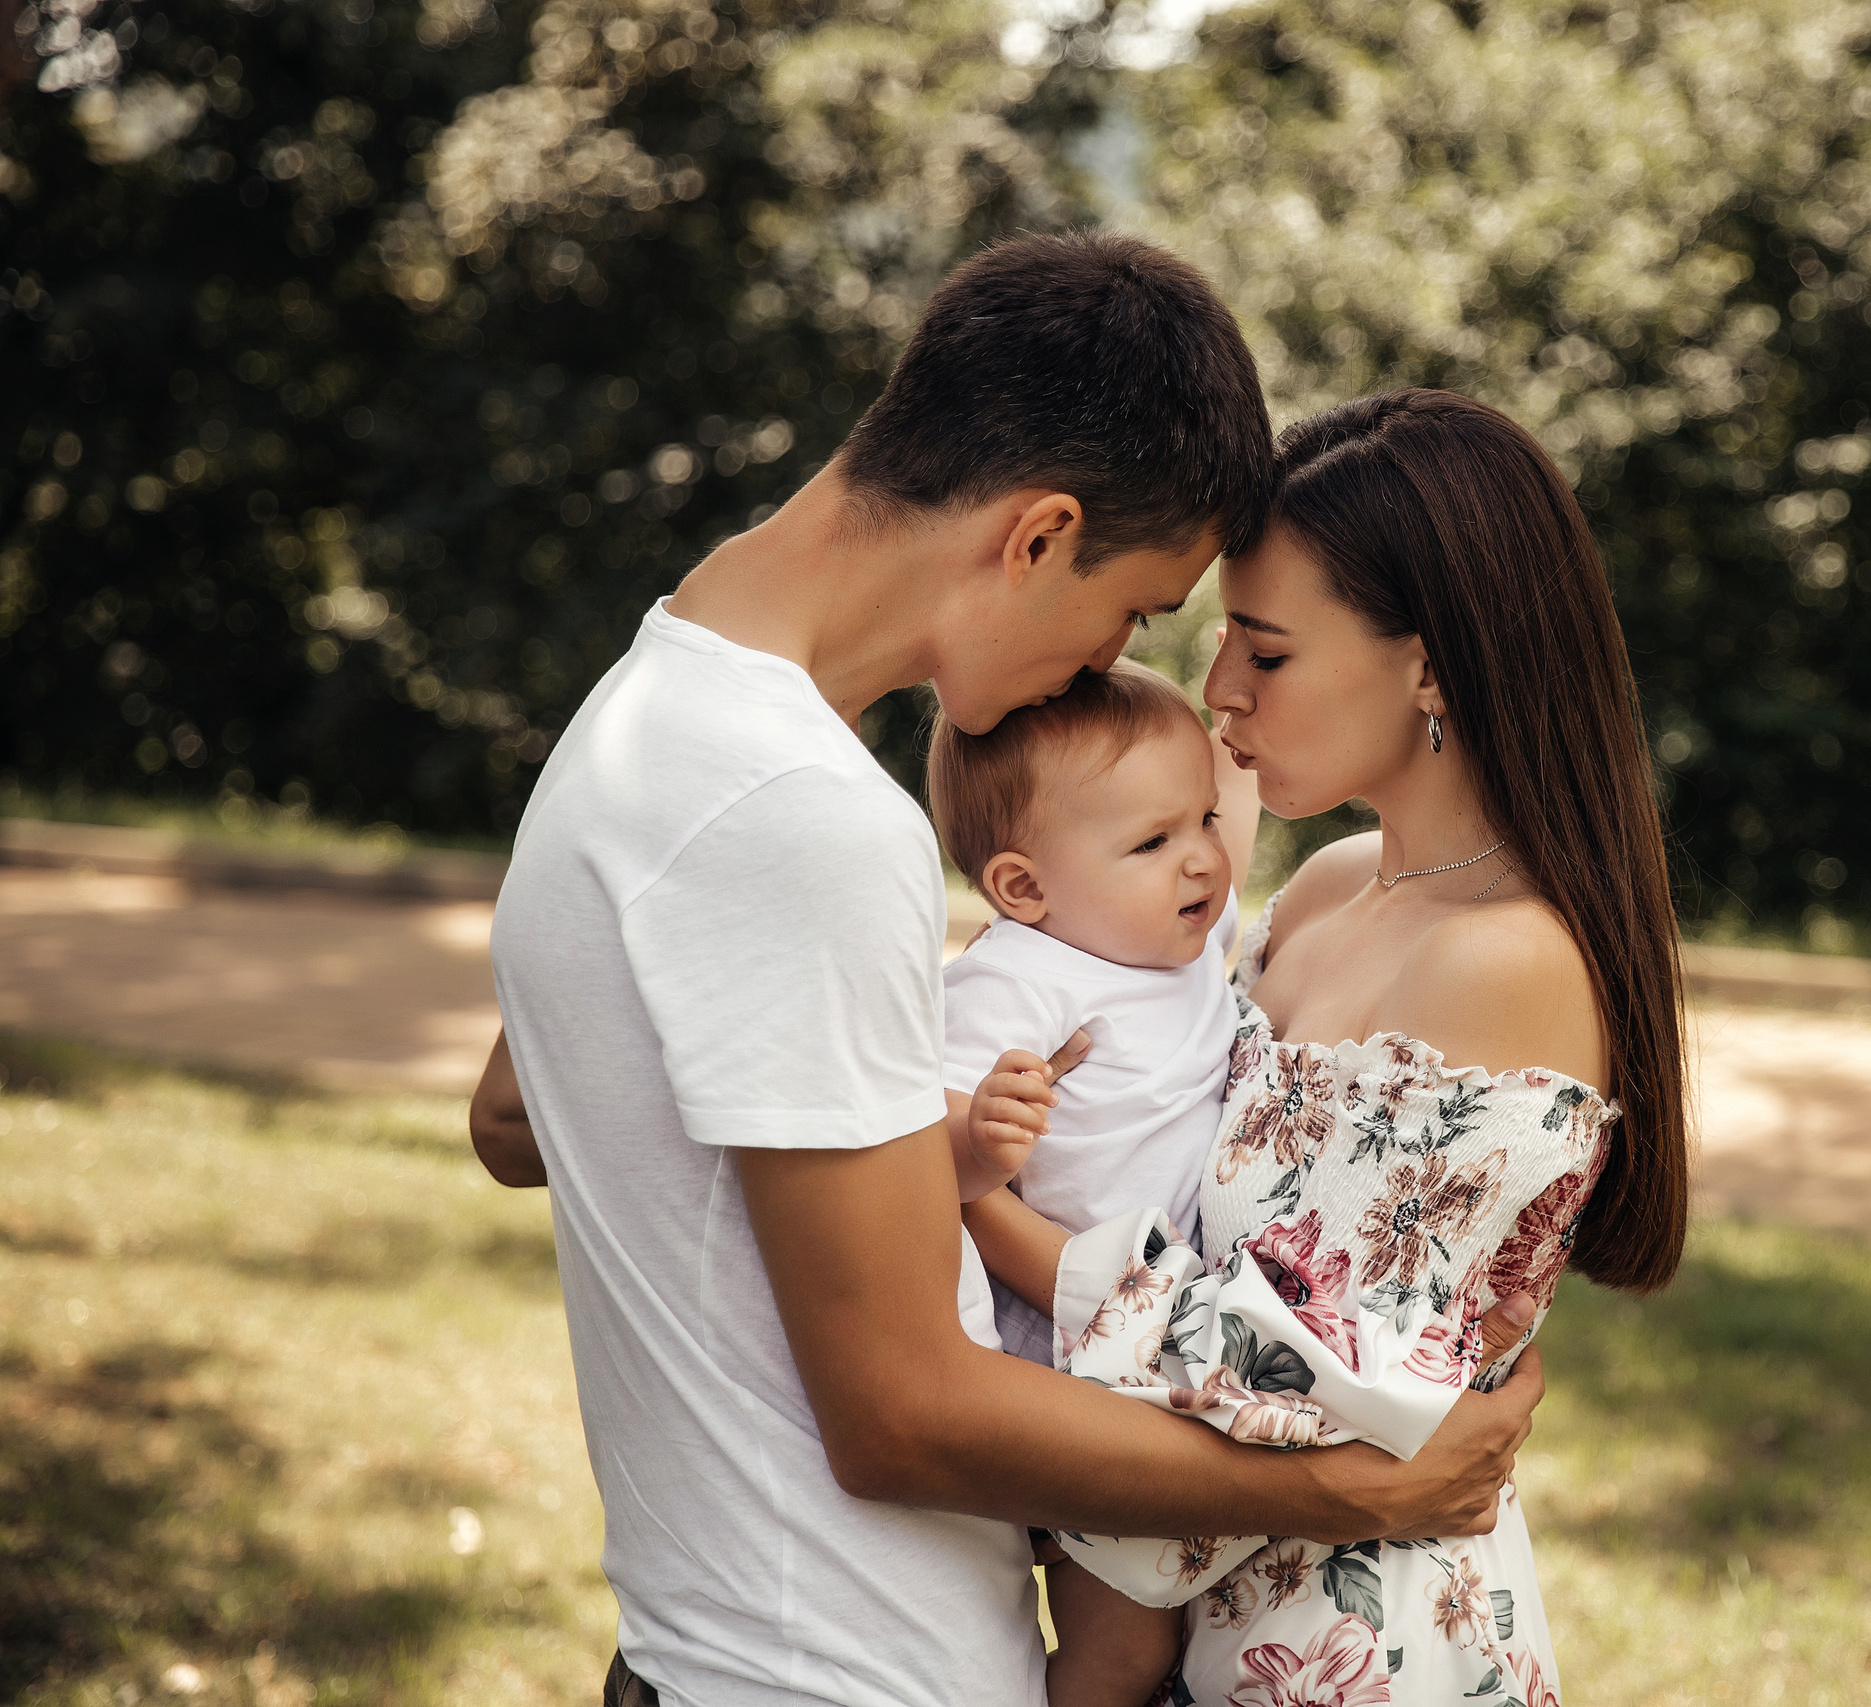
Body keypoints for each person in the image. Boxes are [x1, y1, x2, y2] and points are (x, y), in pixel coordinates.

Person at [463, 239, 1548, 1707]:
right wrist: (1365, 1489)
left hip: (702, 1647)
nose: (1118, 662)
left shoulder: (645, 714)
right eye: (1136, 608)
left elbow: (518, 1118)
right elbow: (901, 1416)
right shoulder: (803, 818)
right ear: (1039, 533)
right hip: (836, 1672)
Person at [964, 388, 1691, 1704]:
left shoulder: (1506, 960)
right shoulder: (1321, 888)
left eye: (1269, 649)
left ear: (1432, 664)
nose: (1218, 685)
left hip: (1345, 1658)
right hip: (1165, 1620)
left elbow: (1301, 1381)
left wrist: (999, 1230)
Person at [926, 657, 1265, 1706]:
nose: (1203, 860)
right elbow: (919, 1155)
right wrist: (983, 1138)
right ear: (1025, 889)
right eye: (1154, 842)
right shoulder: (1021, 976)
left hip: (1174, 1342)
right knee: (1116, 1648)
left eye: (1203, 820)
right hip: (1075, 1370)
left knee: (1149, 1644)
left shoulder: (1187, 943)